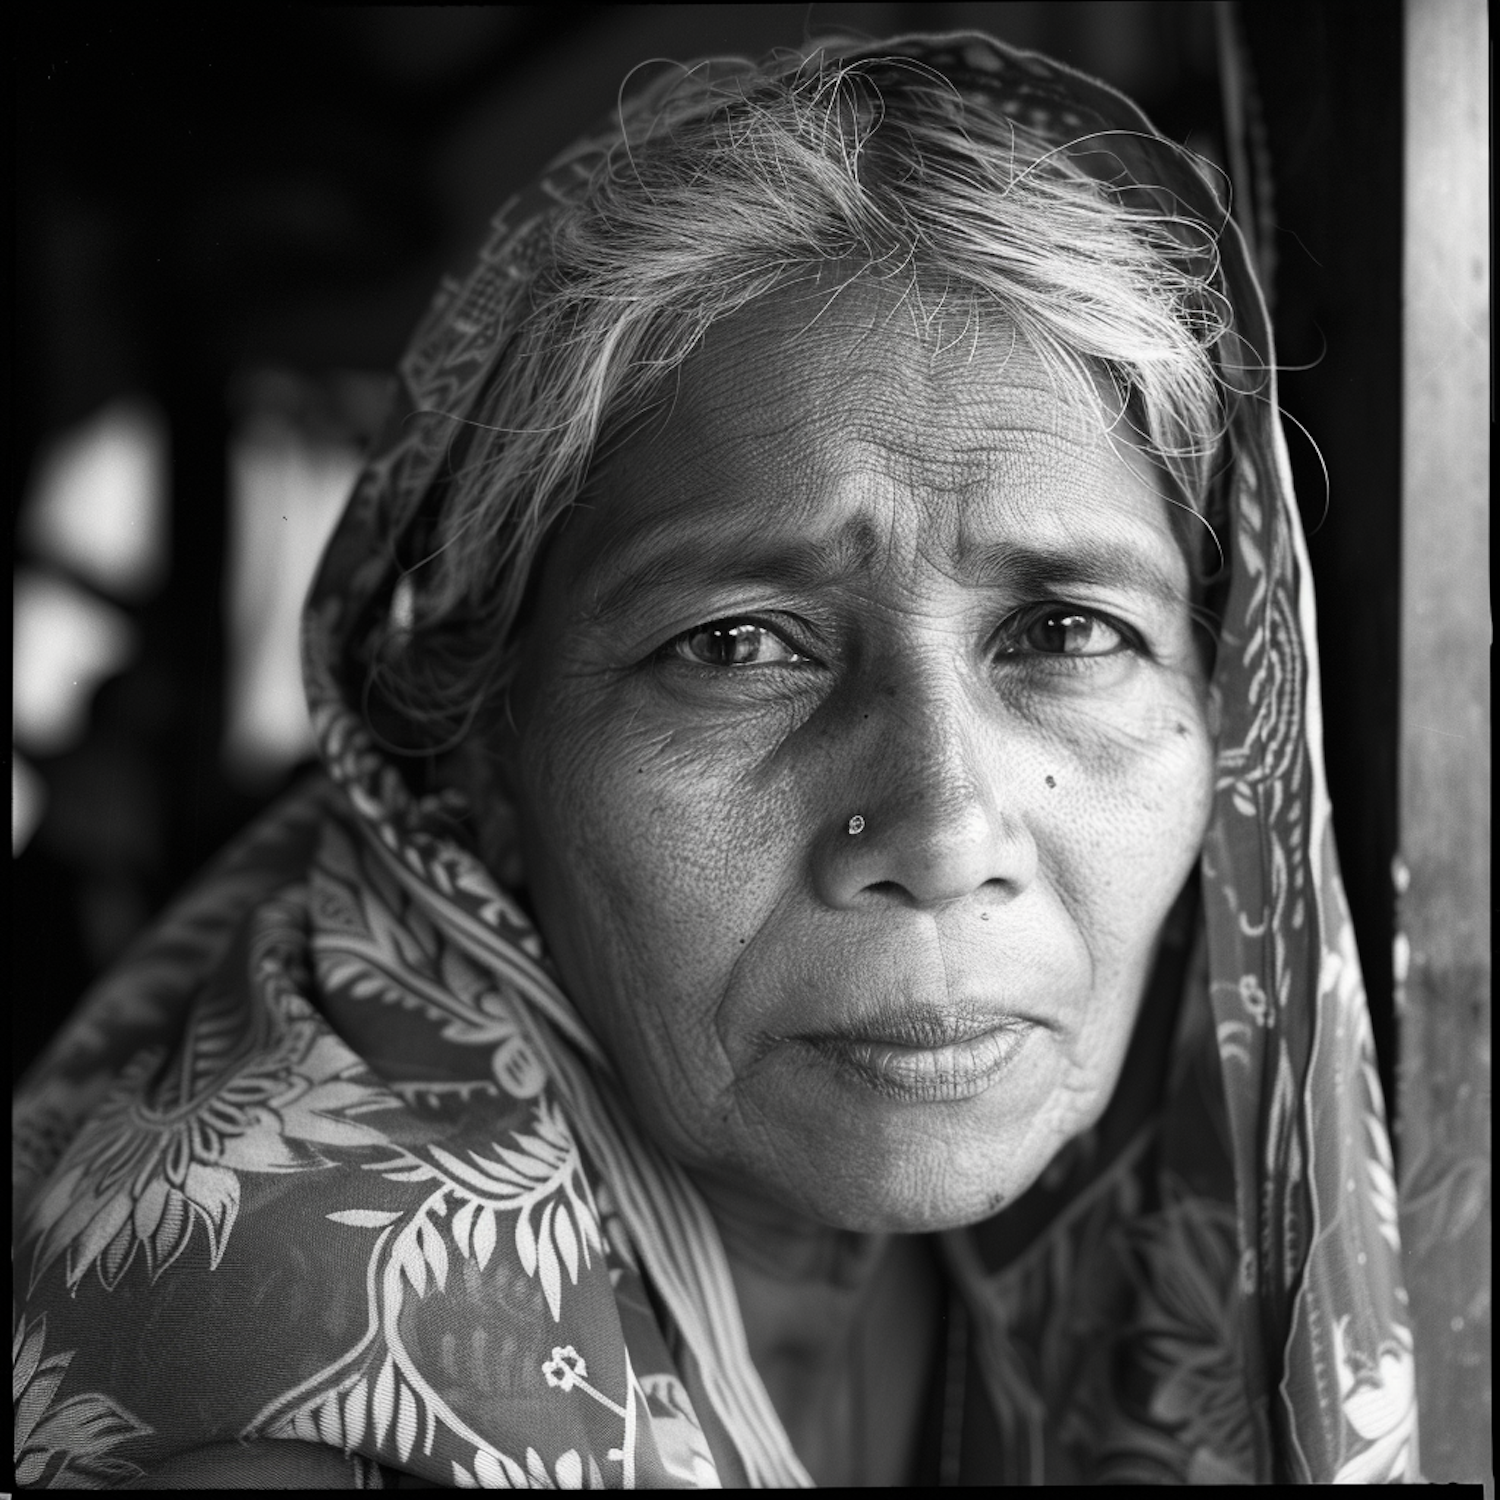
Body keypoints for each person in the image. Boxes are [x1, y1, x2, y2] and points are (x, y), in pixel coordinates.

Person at [12, 32, 1418, 1488]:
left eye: (1067, 632)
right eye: (739, 645)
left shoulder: (1130, 1244)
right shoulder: (295, 1422)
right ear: (478, 758)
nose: (943, 831)